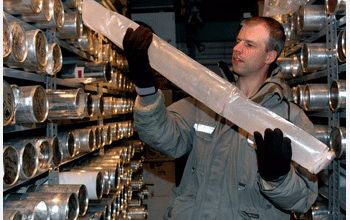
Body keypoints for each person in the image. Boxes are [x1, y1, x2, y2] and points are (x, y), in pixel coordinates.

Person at [123, 17, 318, 220]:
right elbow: (162, 136)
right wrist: (146, 87)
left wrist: (278, 178)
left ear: (270, 56)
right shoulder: (208, 100)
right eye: (238, 41)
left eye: (249, 44)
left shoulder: (290, 119)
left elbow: (304, 199)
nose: (237, 48)